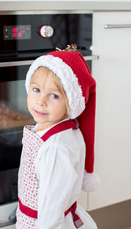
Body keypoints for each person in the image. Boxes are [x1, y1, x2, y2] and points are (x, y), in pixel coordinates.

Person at [16, 49, 99, 229]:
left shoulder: (56, 148)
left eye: (53, 95)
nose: (41, 101)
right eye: (36, 90)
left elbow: (52, 207)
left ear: (71, 102)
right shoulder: (53, 127)